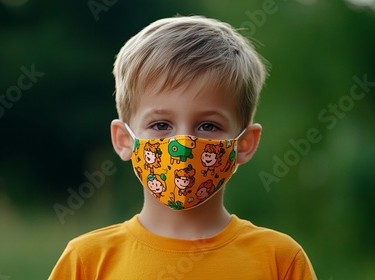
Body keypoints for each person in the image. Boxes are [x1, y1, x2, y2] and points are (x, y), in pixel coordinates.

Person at [49, 15, 317, 279]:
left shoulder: (279, 261)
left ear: (244, 144)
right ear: (124, 139)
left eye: (208, 126)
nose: (184, 146)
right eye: (161, 125)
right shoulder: (87, 262)